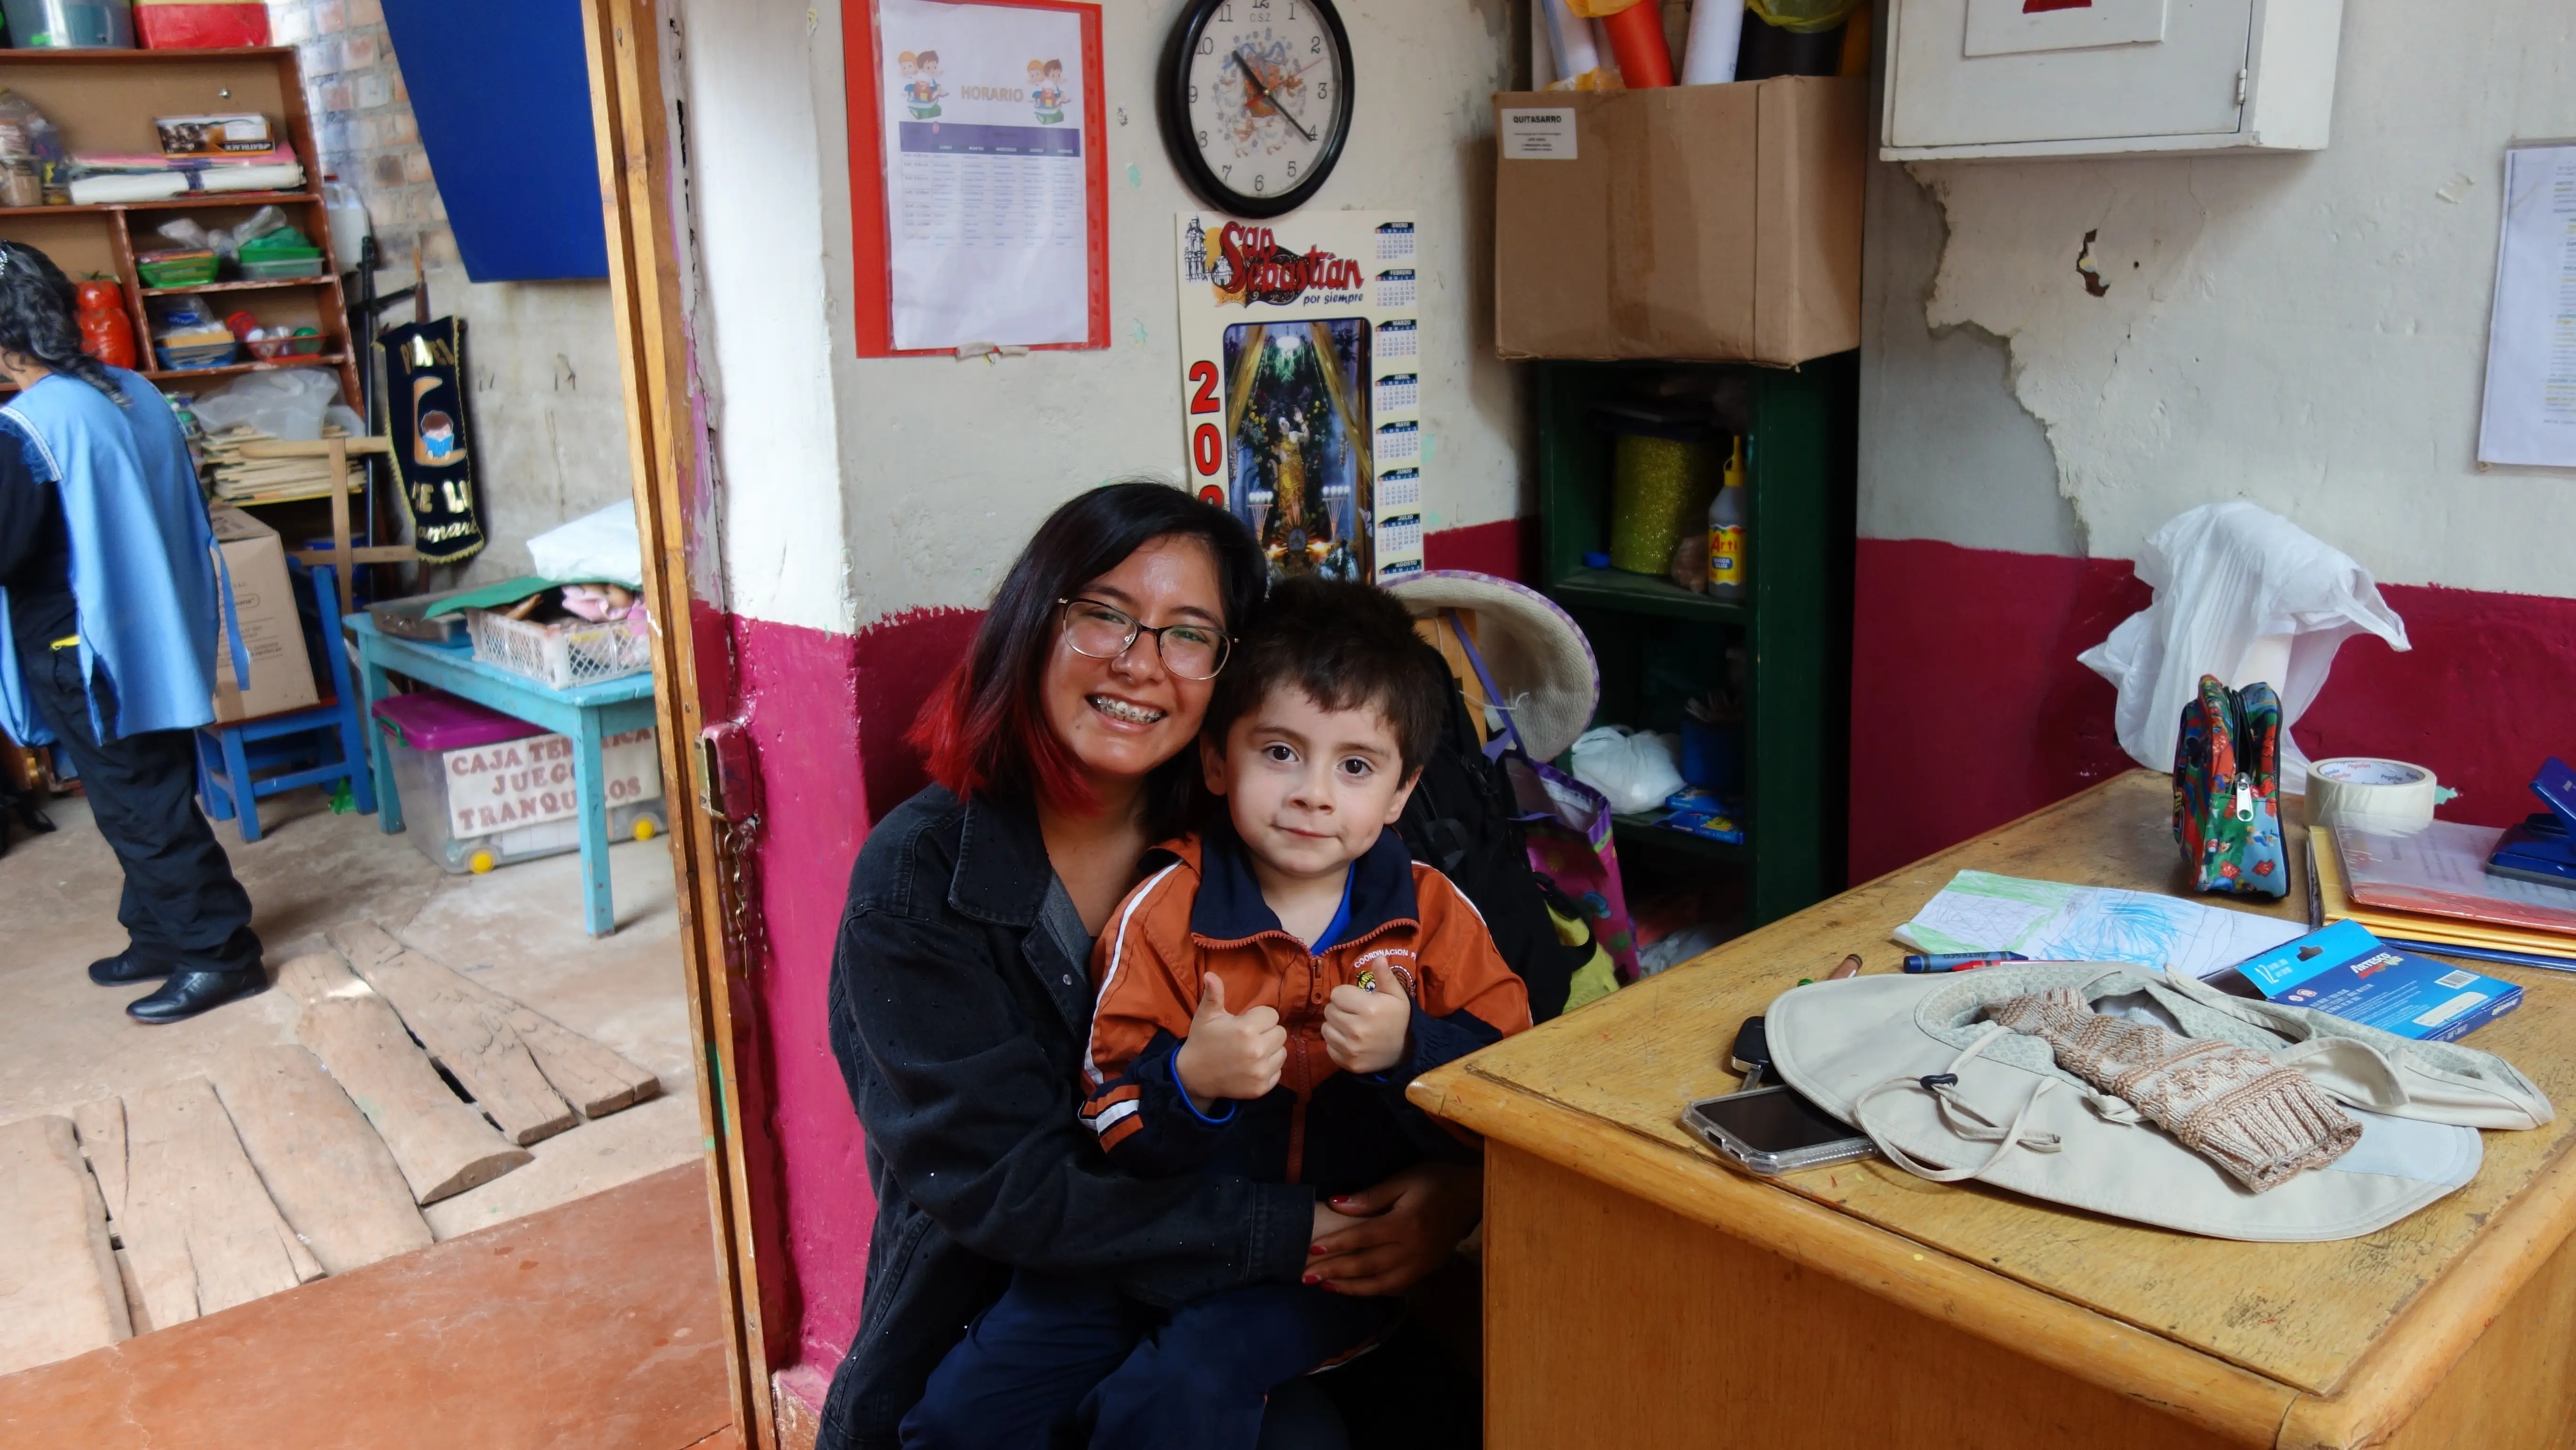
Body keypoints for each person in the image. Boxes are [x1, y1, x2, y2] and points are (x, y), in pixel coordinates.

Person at [822, 483, 1484, 1450]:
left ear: (1229, 675)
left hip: (1246, 1295)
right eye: (1104, 615)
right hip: (1001, 1303)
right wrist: (1297, 1230)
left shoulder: (1278, 823)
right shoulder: (918, 882)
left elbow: (1499, 1031)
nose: (1141, 663)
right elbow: (1016, 1194)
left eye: (1189, 634)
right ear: (1032, 624)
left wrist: (1457, 1190)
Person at [0, 241, 264, 1023]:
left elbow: (9, 552)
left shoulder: (29, 425)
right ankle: (155, 930)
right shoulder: (128, 390)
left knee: (139, 806)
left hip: (81, 647)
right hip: (153, 628)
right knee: (150, 790)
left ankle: (221, 956)